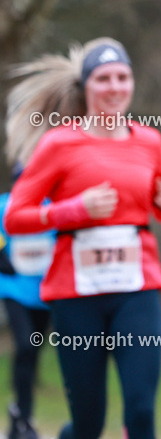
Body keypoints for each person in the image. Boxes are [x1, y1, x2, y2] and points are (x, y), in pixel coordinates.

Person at [4, 37, 161, 439]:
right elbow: (15, 218)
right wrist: (75, 210)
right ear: (86, 87)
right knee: (88, 423)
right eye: (103, 79)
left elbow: (159, 207)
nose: (114, 87)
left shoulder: (149, 140)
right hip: (76, 297)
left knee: (140, 411)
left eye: (122, 76)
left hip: (136, 291)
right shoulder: (59, 143)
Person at [0, 167, 54, 439]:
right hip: (13, 289)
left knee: (33, 350)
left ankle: (21, 415)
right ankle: (23, 417)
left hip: (45, 293)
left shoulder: (50, 208)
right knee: (24, 345)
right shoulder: (4, 206)